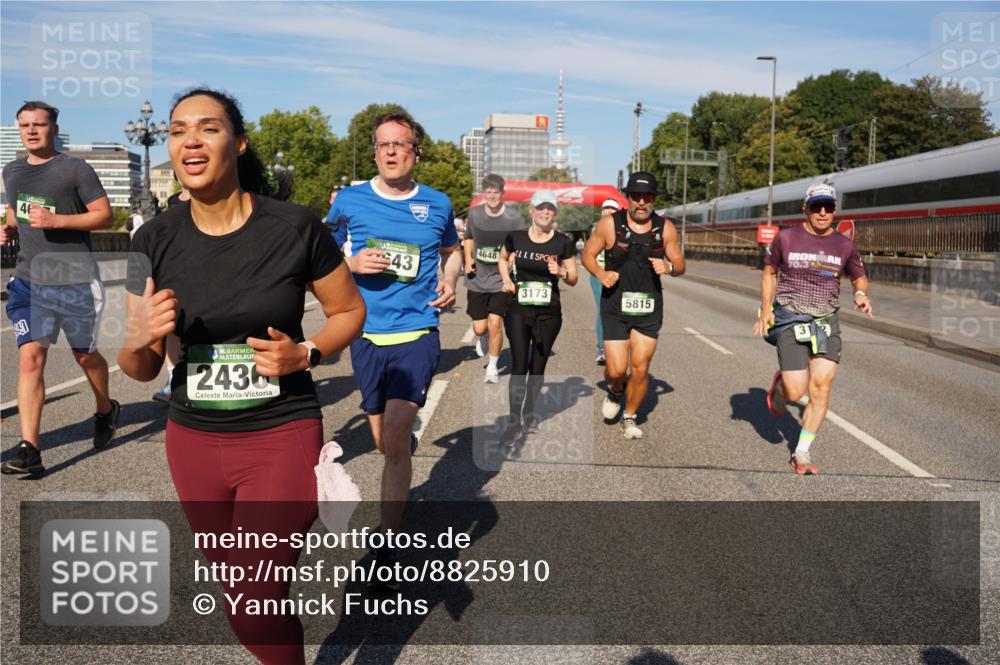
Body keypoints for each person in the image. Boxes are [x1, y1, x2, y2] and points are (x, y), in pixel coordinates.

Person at [119, 88, 366, 664]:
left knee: (255, 591)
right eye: (178, 131)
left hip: (280, 431)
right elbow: (140, 369)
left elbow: (349, 311)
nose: (190, 141)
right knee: (244, 595)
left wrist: (306, 353)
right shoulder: (150, 240)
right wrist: (138, 337)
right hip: (193, 440)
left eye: (207, 128)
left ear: (239, 141)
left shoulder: (295, 227)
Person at [327, 111, 462, 569]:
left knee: (398, 438)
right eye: (382, 144)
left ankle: (388, 544)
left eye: (399, 144)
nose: (389, 151)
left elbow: (452, 250)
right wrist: (351, 264)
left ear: (414, 152)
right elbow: (319, 258)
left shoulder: (438, 204)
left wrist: (450, 280)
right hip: (364, 333)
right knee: (384, 442)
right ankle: (398, 457)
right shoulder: (349, 200)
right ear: (375, 152)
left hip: (417, 332)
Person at [1, 101, 120, 475]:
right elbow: (15, 211)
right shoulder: (12, 170)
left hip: (75, 281)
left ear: (54, 128)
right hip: (29, 282)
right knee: (31, 357)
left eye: (39, 124)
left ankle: (105, 408)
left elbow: (105, 215)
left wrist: (58, 220)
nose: (32, 131)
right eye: (25, 125)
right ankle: (29, 449)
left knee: (84, 356)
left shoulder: (75, 169)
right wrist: (7, 227)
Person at [752, 183, 872, 475]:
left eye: (828, 207)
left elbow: (859, 277)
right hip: (792, 318)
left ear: (834, 211)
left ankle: (802, 451)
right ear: (805, 208)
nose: (822, 212)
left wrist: (860, 294)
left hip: (825, 322)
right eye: (816, 206)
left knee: (822, 387)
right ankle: (781, 387)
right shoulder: (787, 238)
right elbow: (769, 273)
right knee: (796, 393)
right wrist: (767, 308)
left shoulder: (844, 245)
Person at [581, 171, 685, 440]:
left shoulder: (665, 228)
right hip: (615, 306)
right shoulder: (608, 224)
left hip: (648, 307)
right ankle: (616, 390)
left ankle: (629, 416)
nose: (641, 202)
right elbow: (588, 256)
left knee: (640, 367)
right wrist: (601, 275)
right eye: (636, 197)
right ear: (627, 198)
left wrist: (670, 267)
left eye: (647, 197)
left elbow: (681, 264)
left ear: (653, 200)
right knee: (616, 371)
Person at [497, 189, 577, 441]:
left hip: (549, 314)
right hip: (518, 309)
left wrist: (561, 271)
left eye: (550, 208)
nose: (545, 212)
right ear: (531, 210)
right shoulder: (516, 237)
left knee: (537, 366)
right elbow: (502, 257)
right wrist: (506, 279)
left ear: (555, 213)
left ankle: (530, 412)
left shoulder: (563, 242)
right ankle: (513, 420)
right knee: (519, 365)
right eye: (541, 207)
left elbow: (574, 278)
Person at [463, 173, 526, 382]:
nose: (492, 196)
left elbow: (521, 241)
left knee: (495, 323)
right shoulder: (475, 214)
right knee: (480, 327)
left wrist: (514, 256)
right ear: (484, 194)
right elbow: (468, 238)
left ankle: (492, 367)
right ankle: (483, 337)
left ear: (502, 194)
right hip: (478, 278)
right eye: (488, 192)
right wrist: (467, 259)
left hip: (502, 279)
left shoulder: (514, 217)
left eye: (495, 192)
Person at [151, 178, 190, 403]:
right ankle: (173, 379)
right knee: (172, 328)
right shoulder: (174, 202)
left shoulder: (212, 200)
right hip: (177, 269)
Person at [591, 198, 621, 365]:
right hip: (599, 275)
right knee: (603, 309)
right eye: (605, 208)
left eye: (612, 208)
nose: (608, 211)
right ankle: (602, 347)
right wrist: (599, 272)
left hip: (619, 275)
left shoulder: (625, 229)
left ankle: (618, 344)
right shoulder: (597, 229)